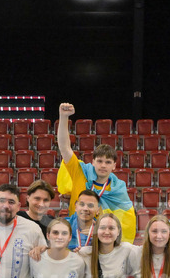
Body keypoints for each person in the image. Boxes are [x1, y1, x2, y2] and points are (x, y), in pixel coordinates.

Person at [57, 102, 137, 241]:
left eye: (108, 162)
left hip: (102, 239)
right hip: (75, 236)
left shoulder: (118, 188)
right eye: (99, 161)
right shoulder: (80, 172)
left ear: (114, 166)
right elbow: (65, 148)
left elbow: (126, 219)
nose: (103, 165)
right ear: (93, 162)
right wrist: (63, 118)